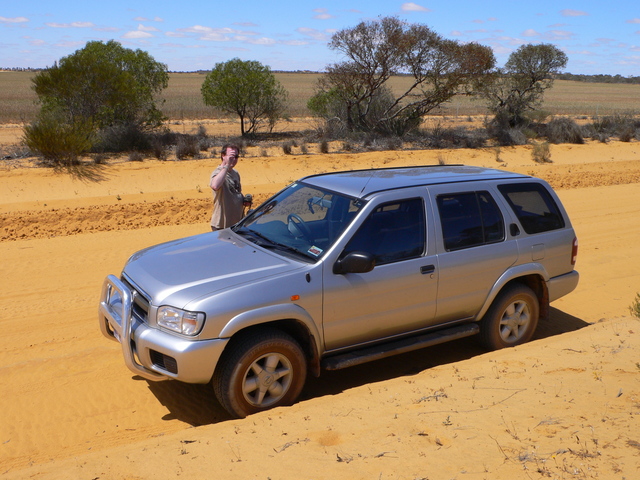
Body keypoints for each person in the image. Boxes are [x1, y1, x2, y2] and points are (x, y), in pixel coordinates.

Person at [209, 144, 251, 231]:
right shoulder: (218, 172)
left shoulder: (235, 173)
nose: (234, 160)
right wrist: (226, 165)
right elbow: (215, 186)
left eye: (236, 157)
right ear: (223, 156)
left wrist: (244, 200)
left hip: (236, 223)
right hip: (221, 225)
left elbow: (235, 192)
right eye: (231, 157)